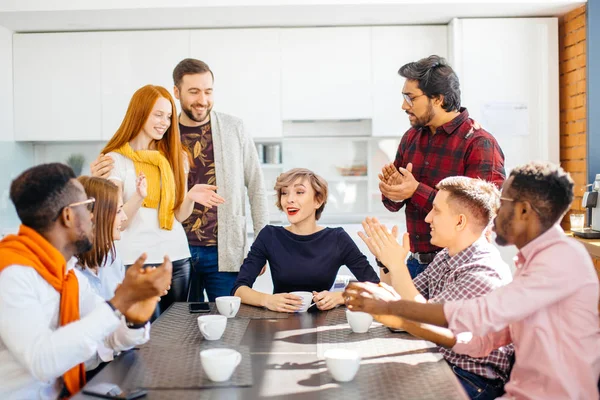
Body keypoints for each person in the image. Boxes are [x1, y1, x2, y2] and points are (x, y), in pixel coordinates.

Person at [345, 161, 600, 399]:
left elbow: (478, 314)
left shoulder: (560, 259)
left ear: (523, 210)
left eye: (503, 203)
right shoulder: (528, 262)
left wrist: (392, 307)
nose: (494, 214)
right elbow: (487, 339)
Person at [92, 59, 268, 302]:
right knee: (179, 328)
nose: (202, 100)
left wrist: (263, 247)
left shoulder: (234, 128)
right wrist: (101, 179)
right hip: (174, 248)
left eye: (208, 91)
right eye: (194, 92)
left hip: (223, 250)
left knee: (230, 323)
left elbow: (257, 187)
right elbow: (125, 161)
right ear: (177, 92)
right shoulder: (163, 134)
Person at [0, 163, 172, 399]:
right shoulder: (12, 274)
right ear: (68, 215)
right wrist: (118, 304)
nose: (93, 216)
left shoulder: (67, 275)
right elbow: (42, 361)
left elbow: (109, 338)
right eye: (88, 206)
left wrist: (134, 320)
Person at [359, 177, 513, 399]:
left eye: (436, 211)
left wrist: (397, 266)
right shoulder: (446, 256)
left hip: (473, 379)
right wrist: (385, 262)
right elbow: (400, 300)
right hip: (445, 361)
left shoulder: (482, 273)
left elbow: (420, 319)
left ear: (460, 222)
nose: (428, 218)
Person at [100, 84, 222, 316]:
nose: (164, 123)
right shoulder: (115, 160)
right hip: (133, 260)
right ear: (140, 112)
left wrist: (191, 197)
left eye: (168, 116)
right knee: (140, 332)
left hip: (175, 257)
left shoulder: (176, 158)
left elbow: (179, 215)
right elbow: (118, 222)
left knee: (174, 332)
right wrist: (139, 197)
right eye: (158, 115)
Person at [379, 55, 506, 279]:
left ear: (437, 99)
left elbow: (481, 214)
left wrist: (415, 190)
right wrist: (393, 192)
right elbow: (393, 203)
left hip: (459, 267)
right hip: (415, 264)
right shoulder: (411, 137)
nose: (403, 105)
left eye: (410, 98)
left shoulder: (479, 143)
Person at [232, 168, 379, 312]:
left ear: (318, 200)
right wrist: (267, 300)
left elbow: (376, 287)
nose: (289, 199)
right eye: (284, 193)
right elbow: (239, 289)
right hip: (279, 321)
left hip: (324, 323)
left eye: (299, 192)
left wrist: (341, 297)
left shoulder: (337, 238)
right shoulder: (269, 235)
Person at [76, 176, 127, 300]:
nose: (125, 217)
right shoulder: (69, 270)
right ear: (97, 216)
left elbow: (123, 311)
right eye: (119, 211)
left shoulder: (113, 259)